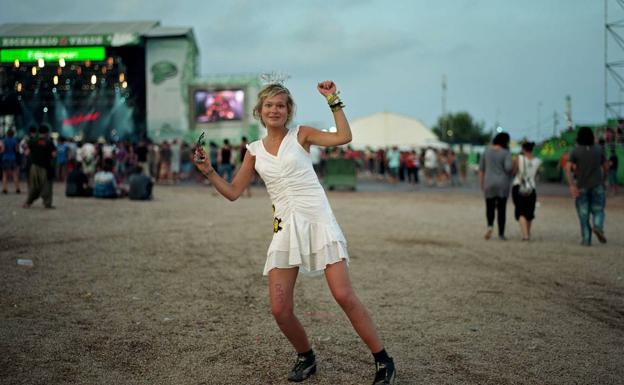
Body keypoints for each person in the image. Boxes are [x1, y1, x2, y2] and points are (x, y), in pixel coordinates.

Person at [192, 81, 396, 384]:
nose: (274, 110)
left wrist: (332, 99)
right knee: (280, 308)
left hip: (319, 221)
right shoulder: (254, 151)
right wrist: (209, 172)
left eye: (281, 105)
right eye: (269, 105)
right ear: (259, 112)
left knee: (343, 294)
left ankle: (383, 361)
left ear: (288, 111)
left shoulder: (301, 135)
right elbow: (234, 191)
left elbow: (344, 136)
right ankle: (306, 356)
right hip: (285, 227)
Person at [565, 127, 609, 246]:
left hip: (581, 187)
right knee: (599, 210)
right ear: (591, 136)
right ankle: (598, 226)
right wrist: (604, 180)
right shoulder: (599, 150)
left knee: (583, 215)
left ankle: (586, 239)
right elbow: (606, 167)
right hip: (597, 185)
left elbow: (567, 169)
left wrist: (572, 185)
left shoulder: (575, 151)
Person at [479, 132, 513, 240]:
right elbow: (508, 168)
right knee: (502, 209)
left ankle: (490, 226)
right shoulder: (506, 153)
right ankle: (501, 234)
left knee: (490, 206)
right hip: (502, 184)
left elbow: (481, 169)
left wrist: (482, 183)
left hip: (489, 182)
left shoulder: (486, 151)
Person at [511, 142, 542, 241]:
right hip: (531, 188)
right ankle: (527, 232)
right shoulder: (538, 161)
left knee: (520, 212)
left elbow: (513, 171)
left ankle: (525, 236)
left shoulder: (518, 158)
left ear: (523, 149)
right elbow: (537, 174)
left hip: (518, 186)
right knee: (529, 212)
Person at [23, 124, 56, 209]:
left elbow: (26, 152)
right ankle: (47, 203)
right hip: (45, 167)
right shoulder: (49, 142)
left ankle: (28, 202)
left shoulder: (33, 141)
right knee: (46, 186)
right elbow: (53, 154)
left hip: (34, 167)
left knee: (33, 186)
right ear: (47, 132)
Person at [1, 129, 21, 194]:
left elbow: (2, 150)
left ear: (7, 134)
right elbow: (17, 150)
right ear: (13, 134)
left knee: (5, 175)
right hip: (13, 158)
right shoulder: (15, 140)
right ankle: (17, 188)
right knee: (15, 174)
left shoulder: (4, 140)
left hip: (5, 158)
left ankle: (5, 189)